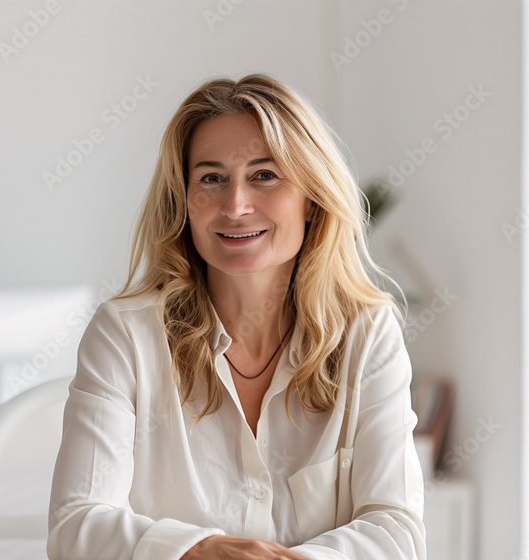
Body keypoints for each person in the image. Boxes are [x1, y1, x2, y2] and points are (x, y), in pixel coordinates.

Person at [47, 74, 426, 560]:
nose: (235, 206)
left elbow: (395, 528)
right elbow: (77, 526)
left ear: (311, 198)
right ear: (185, 202)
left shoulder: (367, 334)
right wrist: (201, 552)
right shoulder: (126, 333)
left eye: (265, 175)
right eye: (211, 178)